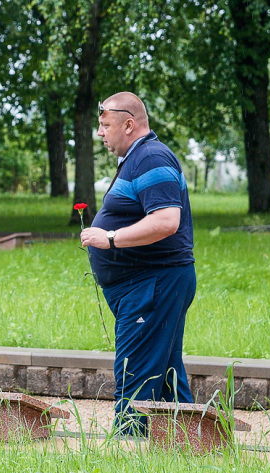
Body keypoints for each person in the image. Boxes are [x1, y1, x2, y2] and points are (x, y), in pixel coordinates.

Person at [79, 92, 196, 435]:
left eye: (105, 125)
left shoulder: (150, 158)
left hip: (152, 284)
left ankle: (129, 449)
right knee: (165, 374)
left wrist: (110, 239)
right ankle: (193, 445)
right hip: (150, 285)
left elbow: (166, 220)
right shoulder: (139, 158)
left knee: (136, 375)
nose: (100, 133)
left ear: (129, 124)